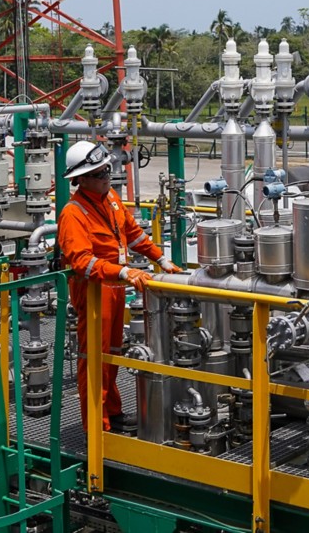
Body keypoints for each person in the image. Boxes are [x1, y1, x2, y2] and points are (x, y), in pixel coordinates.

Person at [57, 140, 182, 431]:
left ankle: (111, 412)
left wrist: (161, 259)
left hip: (114, 287)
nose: (106, 178)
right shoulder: (73, 214)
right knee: (95, 359)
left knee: (112, 352)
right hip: (94, 291)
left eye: (107, 171)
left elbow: (133, 234)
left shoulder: (111, 198)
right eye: (99, 174)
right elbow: (82, 262)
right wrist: (124, 272)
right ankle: (95, 426)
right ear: (82, 179)